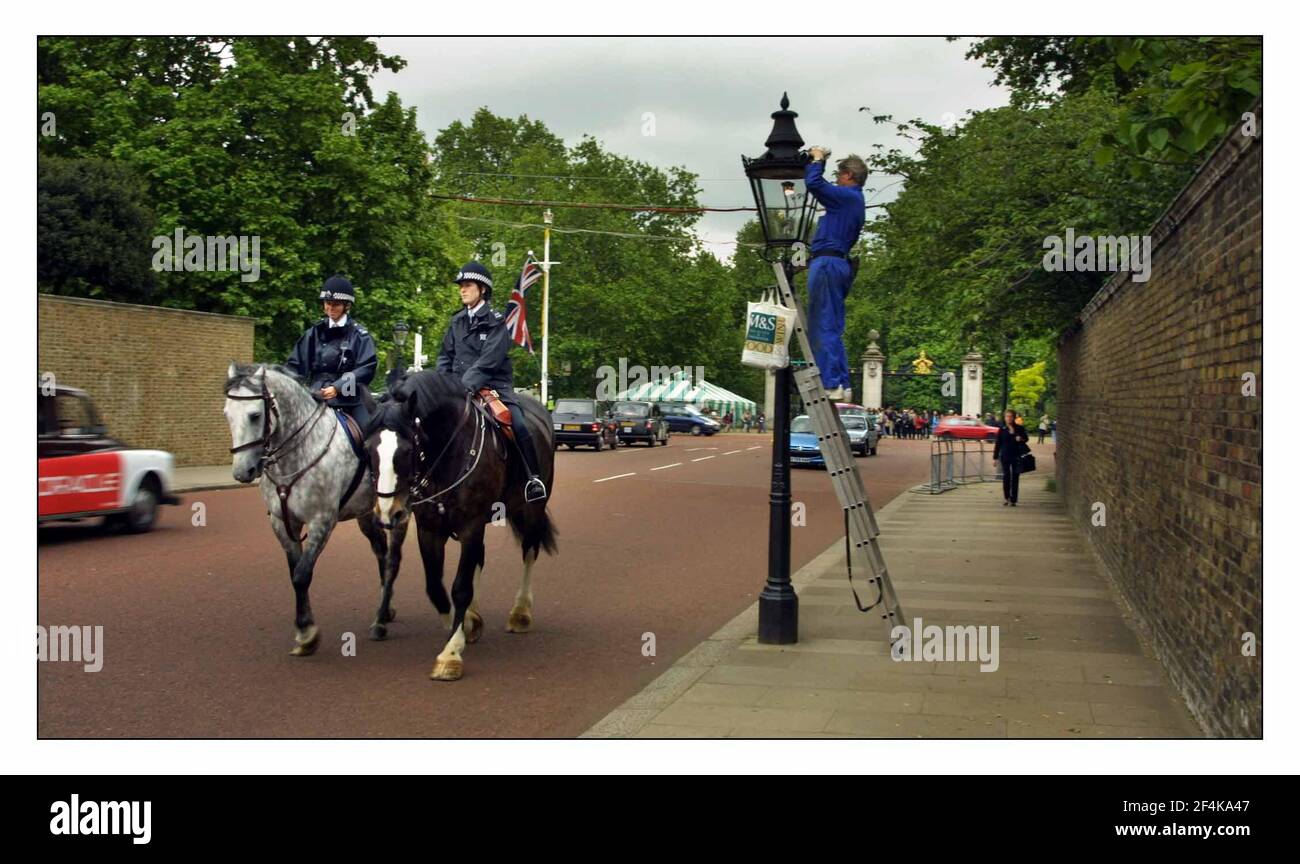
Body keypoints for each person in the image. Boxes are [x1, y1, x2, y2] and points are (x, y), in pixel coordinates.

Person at [436, 261, 547, 502]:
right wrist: (443, 383)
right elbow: (445, 356)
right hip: (458, 388)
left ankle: (532, 479)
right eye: (461, 286)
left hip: (494, 388)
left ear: (482, 289)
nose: (462, 290)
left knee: (518, 424)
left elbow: (488, 362)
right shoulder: (456, 321)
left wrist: (464, 387)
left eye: (467, 285)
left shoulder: (499, 321)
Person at [804, 147, 867, 402]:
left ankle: (830, 382)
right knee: (833, 325)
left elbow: (814, 183)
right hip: (836, 264)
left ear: (849, 175)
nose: (837, 180)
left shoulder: (847, 197)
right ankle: (841, 382)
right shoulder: (853, 201)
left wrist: (818, 160)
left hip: (828, 264)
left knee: (822, 324)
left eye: (839, 175)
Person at [285, 274, 378, 429]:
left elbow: (367, 367)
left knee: (369, 436)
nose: (330, 308)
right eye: (328, 303)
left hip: (350, 399)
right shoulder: (313, 333)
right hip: (316, 395)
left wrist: (338, 387)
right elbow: (295, 365)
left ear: (346, 306)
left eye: (335, 304)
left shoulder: (360, 335)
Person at [992, 408, 1030, 506]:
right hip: (1005, 456)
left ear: (1014, 418)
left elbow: (1026, 439)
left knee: (1015, 477)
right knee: (1006, 476)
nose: (1008, 418)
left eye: (1010, 416)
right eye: (1006, 416)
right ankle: (1006, 497)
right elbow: (998, 444)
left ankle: (1013, 499)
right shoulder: (1002, 429)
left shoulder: (1019, 428)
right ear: (1004, 418)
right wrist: (995, 458)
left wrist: (1020, 438)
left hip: (1016, 455)